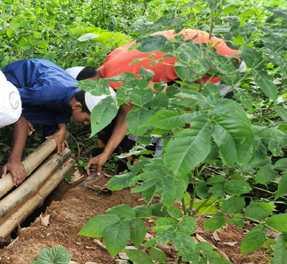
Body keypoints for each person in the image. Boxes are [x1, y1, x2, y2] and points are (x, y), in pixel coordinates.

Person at [68, 29, 243, 175]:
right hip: (199, 47)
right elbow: (129, 110)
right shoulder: (111, 62)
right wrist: (105, 154)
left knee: (190, 119)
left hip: (222, 65)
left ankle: (170, 173)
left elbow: (171, 95)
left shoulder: (119, 80)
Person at [0, 58, 114, 185]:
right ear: (78, 106)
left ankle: (48, 142)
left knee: (55, 121)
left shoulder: (74, 94)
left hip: (36, 86)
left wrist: (62, 128)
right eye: (86, 119)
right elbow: (6, 96)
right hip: (12, 81)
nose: (85, 123)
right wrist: (20, 116)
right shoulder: (45, 94)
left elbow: (62, 106)